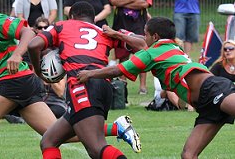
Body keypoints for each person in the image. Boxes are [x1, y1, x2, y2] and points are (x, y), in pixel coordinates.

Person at [0, 0, 141, 158]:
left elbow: (28, 33)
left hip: (14, 80)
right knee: (53, 135)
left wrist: (17, 55)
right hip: (26, 82)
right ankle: (117, 128)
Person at [77, 16, 235, 158]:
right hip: (206, 105)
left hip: (212, 89)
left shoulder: (151, 54)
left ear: (155, 36)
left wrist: (90, 74)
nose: (144, 37)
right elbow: (140, 42)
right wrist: (118, 35)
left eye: (146, 34)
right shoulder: (172, 46)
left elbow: (118, 70)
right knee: (188, 154)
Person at [28, 1, 145, 158]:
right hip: (103, 85)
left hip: (82, 84)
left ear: (71, 16)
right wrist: (118, 34)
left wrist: (39, 71)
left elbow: (33, 45)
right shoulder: (104, 31)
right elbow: (143, 44)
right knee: (49, 141)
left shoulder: (62, 26)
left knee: (96, 148)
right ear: (94, 19)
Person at [109, 0, 153, 96]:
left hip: (139, 26)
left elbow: (145, 3)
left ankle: (143, 86)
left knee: (142, 56)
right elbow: (113, 1)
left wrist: (123, 2)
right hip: (120, 26)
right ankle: (122, 85)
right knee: (122, 57)